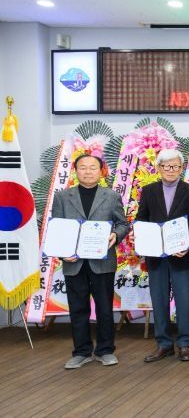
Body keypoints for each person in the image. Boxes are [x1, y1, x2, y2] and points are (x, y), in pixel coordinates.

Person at [51, 154, 128, 369]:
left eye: (92, 167)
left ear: (101, 171)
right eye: (82, 167)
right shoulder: (63, 197)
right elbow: (56, 228)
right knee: (78, 309)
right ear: (76, 171)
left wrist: (116, 235)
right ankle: (81, 352)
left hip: (102, 261)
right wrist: (61, 253)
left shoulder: (111, 196)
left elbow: (123, 224)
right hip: (73, 261)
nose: (87, 171)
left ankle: (105, 350)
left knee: (104, 308)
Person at [136, 149, 189, 363]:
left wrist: (187, 245)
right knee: (159, 301)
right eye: (166, 166)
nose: (171, 170)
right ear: (159, 168)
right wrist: (144, 240)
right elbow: (141, 220)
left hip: (182, 256)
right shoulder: (148, 191)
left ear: (181, 168)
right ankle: (163, 344)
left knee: (184, 301)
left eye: (175, 166)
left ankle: (184, 343)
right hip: (156, 257)